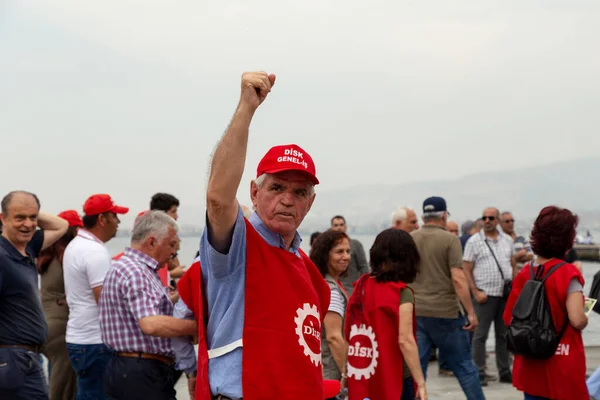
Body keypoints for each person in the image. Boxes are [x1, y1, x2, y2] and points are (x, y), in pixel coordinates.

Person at [196, 71, 330, 400]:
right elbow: (217, 197)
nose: (287, 199)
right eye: (277, 188)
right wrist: (246, 108)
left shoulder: (305, 266)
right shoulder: (237, 245)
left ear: (310, 204)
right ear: (254, 193)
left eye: (299, 192)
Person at [99, 211, 197, 400]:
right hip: (141, 372)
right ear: (152, 242)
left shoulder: (132, 268)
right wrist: (200, 327)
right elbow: (150, 324)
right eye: (170, 244)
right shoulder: (135, 272)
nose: (173, 252)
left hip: (131, 369)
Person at [503, 206, 588, 400]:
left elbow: (509, 316)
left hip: (530, 360)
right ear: (566, 239)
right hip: (562, 360)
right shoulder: (569, 274)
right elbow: (577, 320)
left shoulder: (526, 272)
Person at [410, 196, 483, 399]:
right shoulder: (450, 240)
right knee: (464, 366)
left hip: (417, 311)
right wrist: (470, 312)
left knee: (417, 370)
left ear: (424, 216)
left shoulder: (411, 238)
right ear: (444, 215)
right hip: (446, 313)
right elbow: (458, 278)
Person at [0, 190, 68, 399]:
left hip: (30, 357)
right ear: (3, 218)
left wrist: (29, 210)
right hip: (10, 359)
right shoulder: (2, 257)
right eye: (19, 217)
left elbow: (61, 225)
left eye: (33, 218)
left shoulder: (27, 247)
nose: (28, 224)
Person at [344, 228, 426, 400]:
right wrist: (421, 381)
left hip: (365, 372)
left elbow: (349, 332)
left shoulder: (361, 286)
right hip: (395, 374)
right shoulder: (402, 292)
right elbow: (405, 340)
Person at [63, 194, 129, 399]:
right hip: (94, 341)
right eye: (115, 216)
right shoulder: (94, 251)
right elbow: (106, 301)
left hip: (79, 336)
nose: (118, 222)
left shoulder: (76, 245)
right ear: (102, 219)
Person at [463, 207, 516, 385]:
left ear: (498, 220)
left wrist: (515, 289)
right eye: (484, 217)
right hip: (484, 295)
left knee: (503, 335)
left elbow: (513, 265)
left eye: (491, 218)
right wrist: (475, 291)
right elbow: (466, 269)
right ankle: (479, 371)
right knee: (480, 336)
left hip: (504, 295)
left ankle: (504, 371)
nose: (487, 220)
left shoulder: (507, 241)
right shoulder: (474, 241)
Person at [39, 210, 82, 400]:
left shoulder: (46, 256)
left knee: (58, 375)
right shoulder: (66, 255)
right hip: (60, 324)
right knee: (62, 382)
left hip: (43, 322)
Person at [309, 230, 351, 386]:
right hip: (331, 373)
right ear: (325, 255)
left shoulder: (321, 283)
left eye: (348, 251)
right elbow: (333, 337)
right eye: (339, 252)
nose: (346, 256)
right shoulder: (331, 291)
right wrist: (346, 374)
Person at [330, 215, 369, 295]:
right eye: (336, 225)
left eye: (341, 225)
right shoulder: (328, 246)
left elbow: (363, 267)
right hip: (333, 289)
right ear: (332, 228)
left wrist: (364, 288)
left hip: (352, 290)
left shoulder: (355, 244)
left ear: (345, 227)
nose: (339, 228)